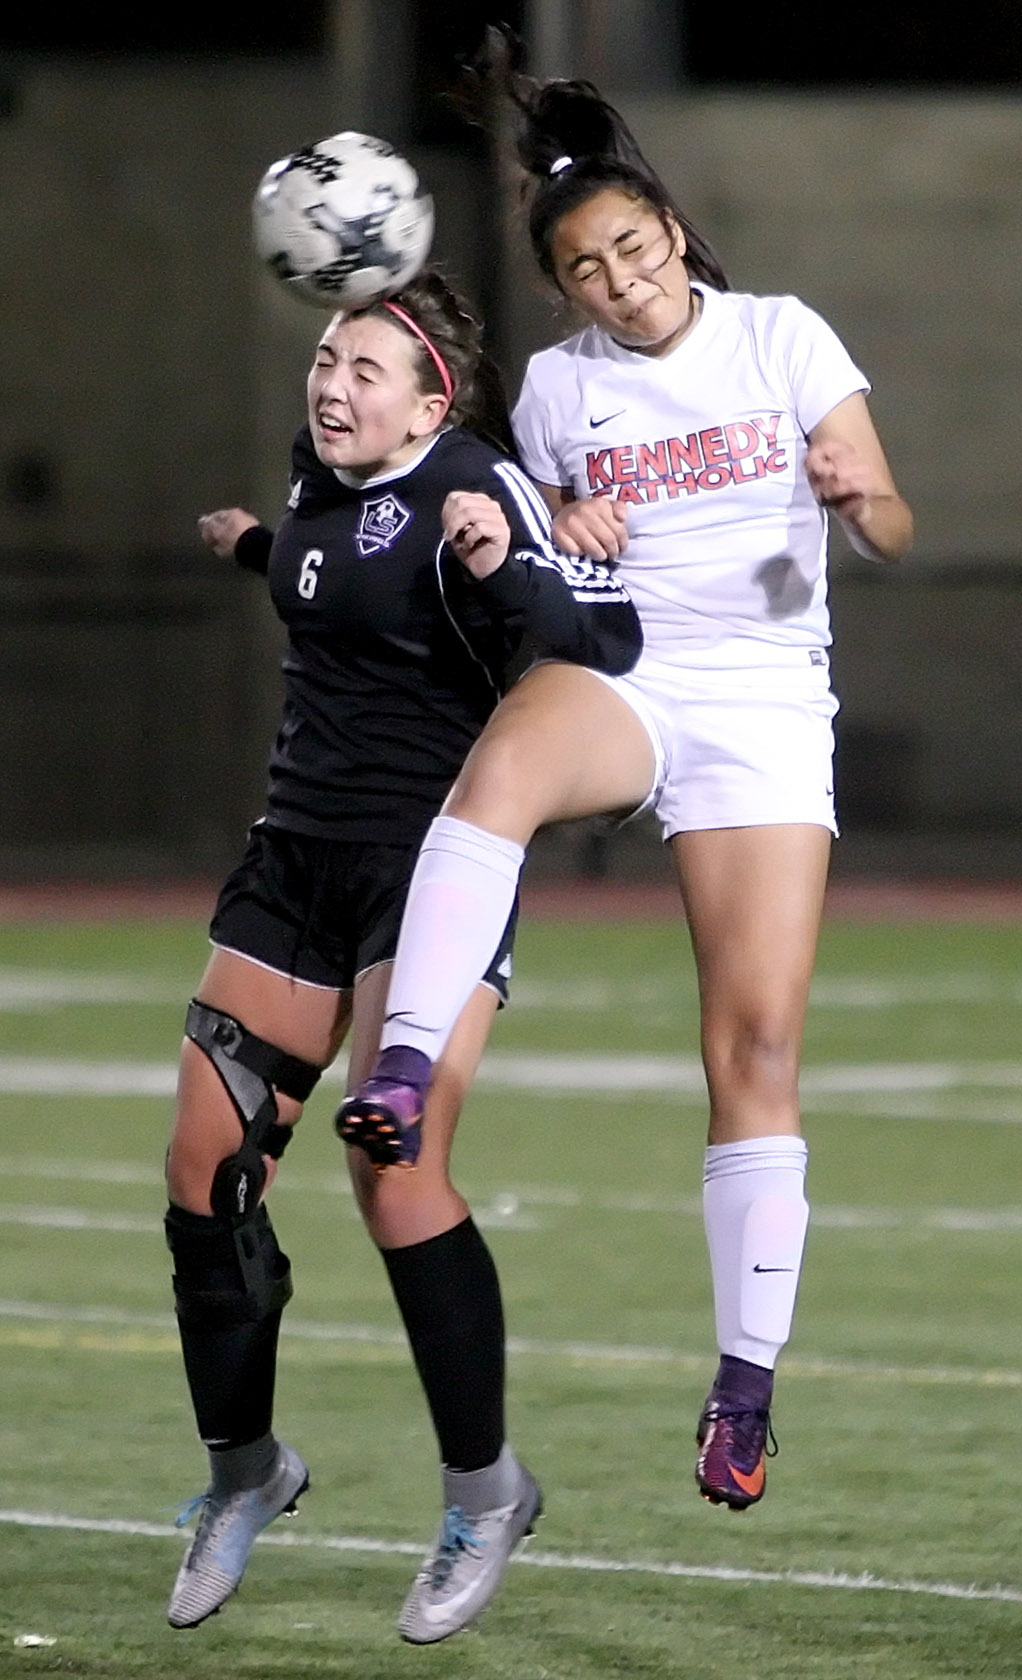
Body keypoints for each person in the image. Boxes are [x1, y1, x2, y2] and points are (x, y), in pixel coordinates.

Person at [343, 77, 914, 1516]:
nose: (616, 281)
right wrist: (555, 527)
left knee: (757, 1045)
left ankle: (742, 1388)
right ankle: (403, 1069)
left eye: (630, 249)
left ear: (670, 232)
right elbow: (535, 569)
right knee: (503, 769)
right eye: (582, 270)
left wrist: (856, 496)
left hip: (766, 705)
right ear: (562, 288)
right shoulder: (556, 389)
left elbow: (897, 525)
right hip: (632, 669)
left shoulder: (781, 335)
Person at [162, 268, 642, 1644]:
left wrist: (511, 565)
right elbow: (325, 570)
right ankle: (245, 1470)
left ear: (434, 398)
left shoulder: (473, 483)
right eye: (327, 356)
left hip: (425, 875)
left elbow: (595, 638)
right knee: (206, 1176)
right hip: (291, 864)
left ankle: (485, 1490)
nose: (333, 382)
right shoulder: (315, 479)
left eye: (368, 368)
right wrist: (256, 542)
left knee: (394, 1170)